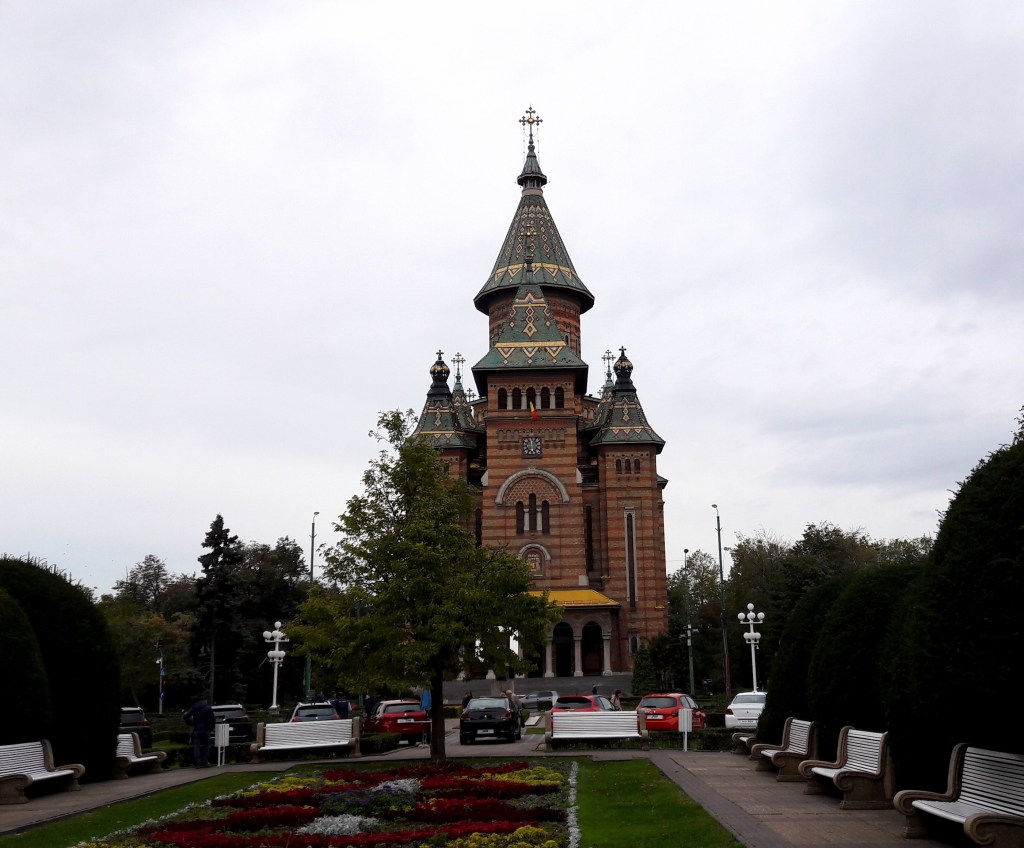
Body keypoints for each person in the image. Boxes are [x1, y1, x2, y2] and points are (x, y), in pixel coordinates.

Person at [183, 695, 215, 768]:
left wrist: (191, 723)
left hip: (197, 729)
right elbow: (213, 719)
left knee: (196, 747)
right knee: (206, 746)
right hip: (206, 729)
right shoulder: (208, 708)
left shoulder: (194, 708)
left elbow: (185, 716)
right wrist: (211, 727)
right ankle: (205, 762)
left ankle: (197, 763)